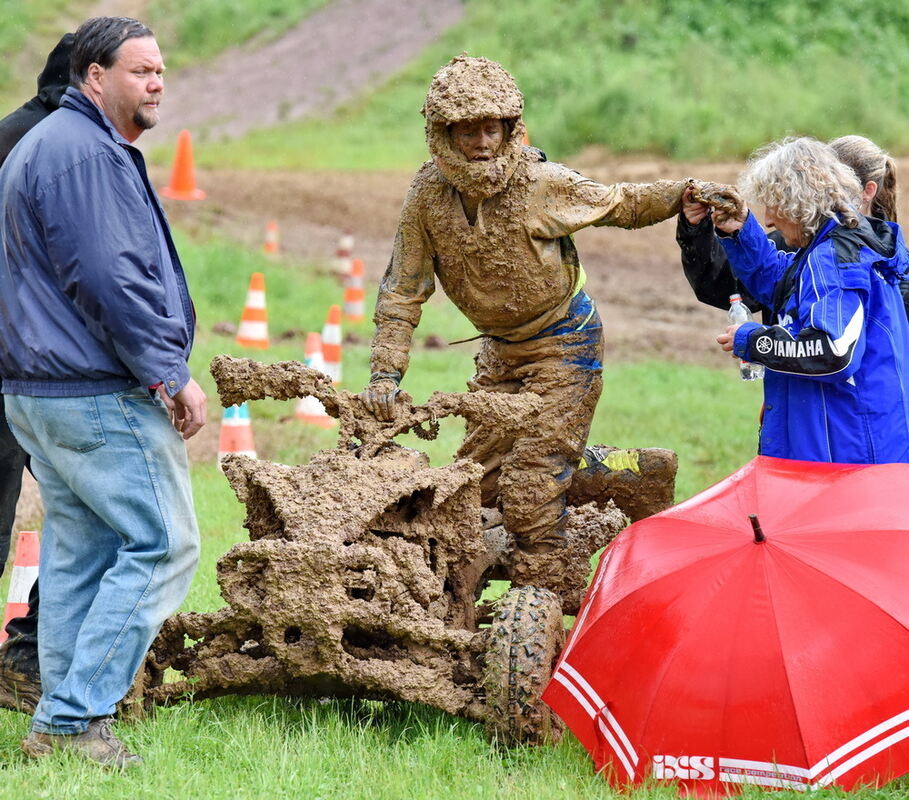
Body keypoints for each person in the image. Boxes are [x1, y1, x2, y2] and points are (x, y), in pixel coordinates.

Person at [360, 55, 691, 584]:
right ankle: (615, 472)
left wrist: (683, 195)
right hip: (499, 349)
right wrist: (384, 373)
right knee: (478, 488)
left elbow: (621, 204)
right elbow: (402, 288)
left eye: (492, 128)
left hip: (565, 342)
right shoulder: (426, 196)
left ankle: (548, 594)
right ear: (442, 134)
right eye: (466, 130)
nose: (482, 142)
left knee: (529, 491)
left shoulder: (541, 184)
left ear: (511, 128)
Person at [0, 16, 204, 766]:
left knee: (80, 553)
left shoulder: (55, 144)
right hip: (90, 388)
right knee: (164, 544)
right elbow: (110, 280)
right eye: (139, 71)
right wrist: (168, 371)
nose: (155, 84)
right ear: (94, 75)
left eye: (160, 72)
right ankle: (74, 718)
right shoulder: (83, 154)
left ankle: (55, 727)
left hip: (40, 388)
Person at [701, 136, 909, 463]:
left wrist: (755, 341)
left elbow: (833, 350)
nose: (768, 219)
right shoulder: (836, 245)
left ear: (797, 202)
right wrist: (740, 231)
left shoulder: (834, 257)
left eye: (772, 205)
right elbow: (786, 283)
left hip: (846, 460)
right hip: (852, 447)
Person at [0, 32, 74, 717]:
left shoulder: (11, 134)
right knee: (82, 516)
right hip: (40, 369)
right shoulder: (64, 151)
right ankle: (27, 655)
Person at [676, 135, 905, 320]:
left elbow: (829, 351)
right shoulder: (790, 240)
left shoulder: (886, 262)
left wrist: (758, 344)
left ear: (868, 190)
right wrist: (697, 229)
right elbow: (730, 288)